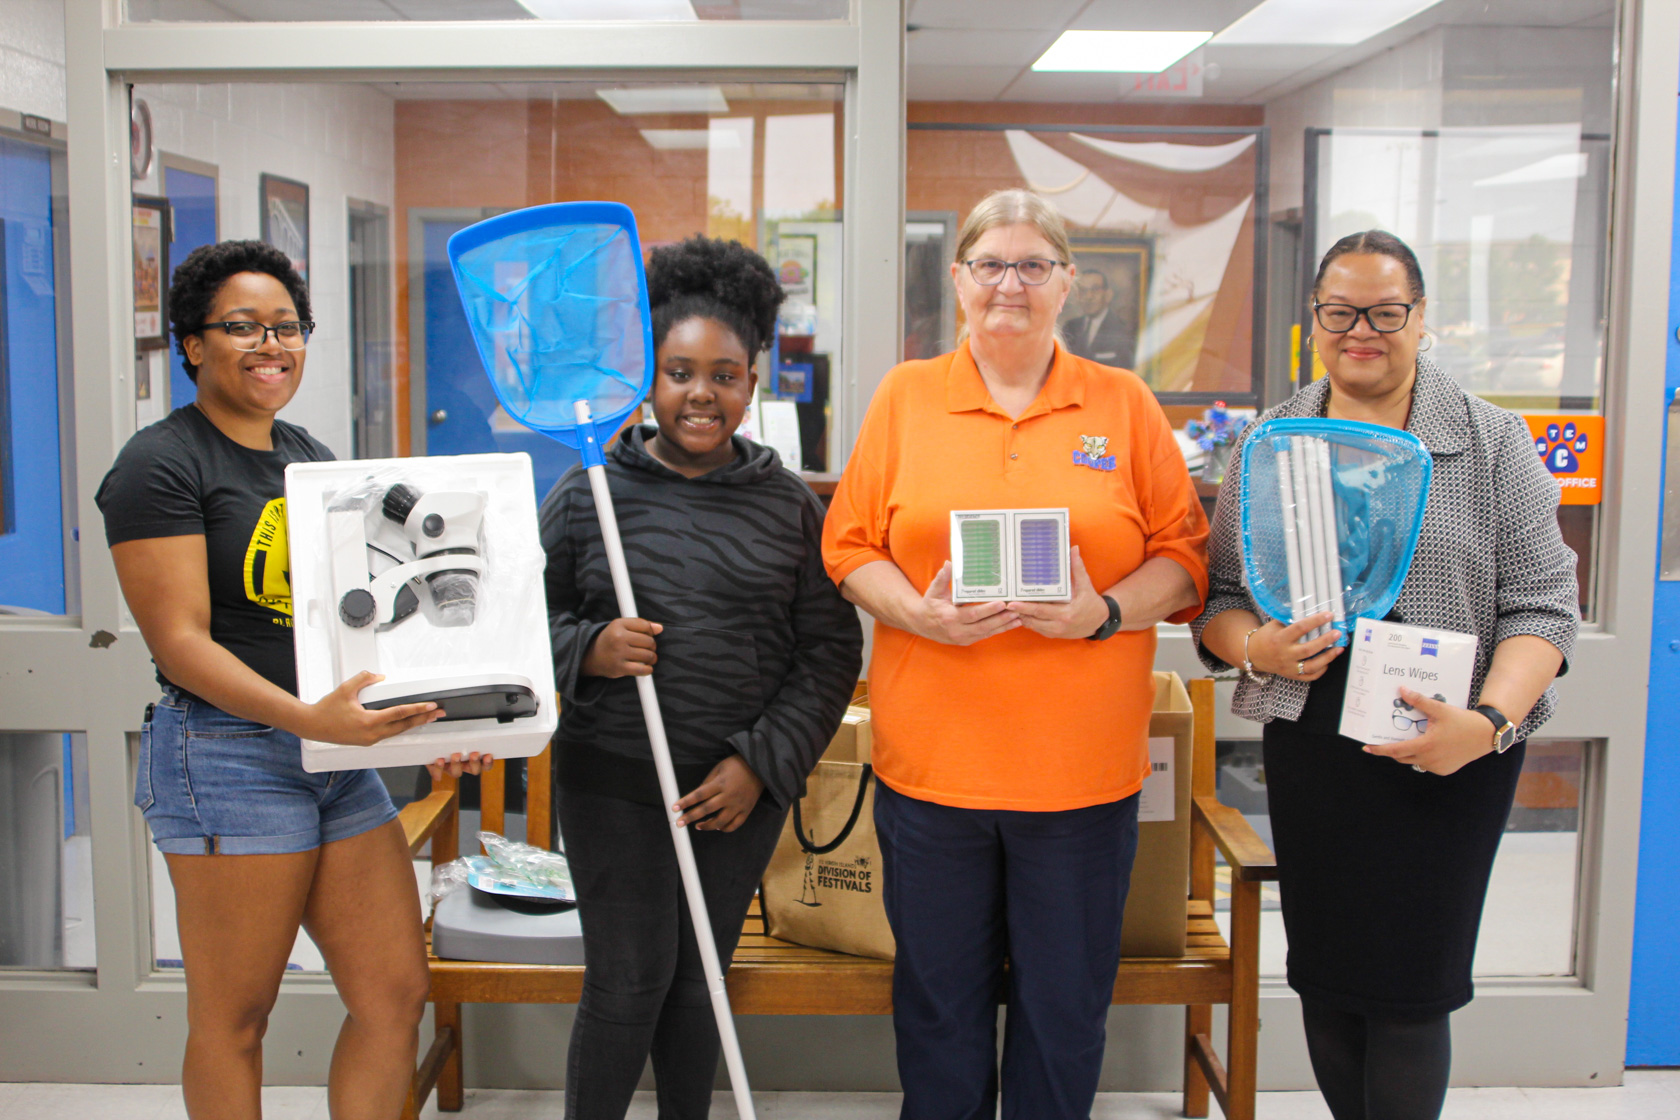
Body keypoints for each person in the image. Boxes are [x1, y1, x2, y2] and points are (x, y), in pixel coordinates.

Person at [822, 188, 1209, 1120]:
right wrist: (918, 613)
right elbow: (848, 548)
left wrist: (1104, 612)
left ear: (1070, 284)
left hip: (1080, 781)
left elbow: (1186, 558)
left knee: (1063, 1014)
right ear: (957, 281)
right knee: (938, 1012)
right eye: (991, 264)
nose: (1011, 284)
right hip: (933, 776)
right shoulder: (906, 396)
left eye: (1034, 265)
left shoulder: (1121, 404)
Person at [97, 239, 491, 1120]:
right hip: (225, 755)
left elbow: (366, 616)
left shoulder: (305, 455)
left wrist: (429, 721)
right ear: (192, 344)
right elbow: (182, 642)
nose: (271, 344)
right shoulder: (159, 464)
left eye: (287, 326)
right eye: (242, 326)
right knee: (237, 1018)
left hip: (331, 754)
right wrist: (315, 719)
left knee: (394, 993)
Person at [1192, 230, 1579, 1120]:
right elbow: (1219, 601)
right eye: (1341, 312)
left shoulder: (1490, 440)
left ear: (1419, 318)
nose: (1362, 330)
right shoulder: (1270, 440)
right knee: (1328, 982)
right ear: (1315, 320)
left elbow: (1543, 609)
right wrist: (1258, 648)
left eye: (1385, 311)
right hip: (1316, 736)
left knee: (1412, 991)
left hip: (1452, 741)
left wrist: (1484, 727)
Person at [540, 234, 863, 1120]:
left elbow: (829, 652)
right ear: (648, 376)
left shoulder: (791, 507)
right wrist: (591, 648)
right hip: (611, 783)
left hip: (733, 792)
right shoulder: (589, 493)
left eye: (725, 374)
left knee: (697, 985)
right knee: (628, 982)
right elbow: (529, 625)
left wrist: (760, 763)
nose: (701, 394)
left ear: (753, 382)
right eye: (680, 371)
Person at [1062, 267, 1136, 368]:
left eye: (1095, 289)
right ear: (1078, 296)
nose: (1088, 296)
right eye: (1083, 291)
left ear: (1108, 295)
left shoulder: (1122, 330)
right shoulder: (1070, 328)